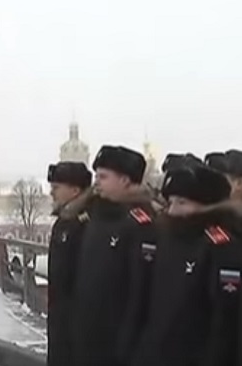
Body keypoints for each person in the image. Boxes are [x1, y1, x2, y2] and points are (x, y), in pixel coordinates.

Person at [131, 164, 242, 366]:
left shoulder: (222, 249)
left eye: (182, 203)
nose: (173, 210)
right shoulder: (163, 240)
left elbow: (224, 324)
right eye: (171, 202)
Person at [70, 145, 158, 366]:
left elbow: (141, 290)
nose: (96, 182)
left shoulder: (140, 224)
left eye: (103, 176)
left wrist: (128, 343)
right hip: (89, 335)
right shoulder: (96, 217)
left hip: (119, 343)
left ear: (125, 180)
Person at [45, 161, 93, 366]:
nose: (51, 193)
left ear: (75, 190)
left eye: (56, 188)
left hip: (78, 320)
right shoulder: (64, 221)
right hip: (61, 315)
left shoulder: (86, 224)